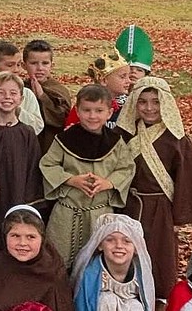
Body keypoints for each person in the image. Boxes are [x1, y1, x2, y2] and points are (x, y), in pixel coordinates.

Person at [114, 77, 192, 306]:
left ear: (166, 104)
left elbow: (187, 175)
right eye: (142, 102)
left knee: (158, 252)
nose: (149, 108)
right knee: (122, 249)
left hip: (159, 207)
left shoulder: (176, 139)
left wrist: (179, 211)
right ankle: (122, 291)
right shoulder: (126, 134)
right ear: (134, 104)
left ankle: (158, 299)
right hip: (128, 204)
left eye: (155, 102)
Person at [42, 84, 135, 270]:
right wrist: (70, 180)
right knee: (59, 259)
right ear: (77, 110)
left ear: (109, 113)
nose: (92, 116)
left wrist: (108, 183)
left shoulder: (116, 143)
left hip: (100, 213)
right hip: (68, 213)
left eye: (99, 111)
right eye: (87, 110)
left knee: (96, 261)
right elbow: (48, 164)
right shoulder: (64, 140)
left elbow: (126, 168)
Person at [0, 72, 43, 228]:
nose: (7, 97)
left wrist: (29, 200)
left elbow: (33, 169)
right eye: (1, 93)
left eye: (13, 93)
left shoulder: (27, 132)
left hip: (18, 193)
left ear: (21, 99)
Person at [0, 40, 44, 134]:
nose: (16, 70)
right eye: (10, 65)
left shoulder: (26, 93)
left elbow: (37, 127)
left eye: (18, 64)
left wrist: (17, 111)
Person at [23, 39, 72, 156]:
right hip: (25, 143)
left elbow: (62, 118)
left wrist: (42, 96)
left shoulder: (59, 90)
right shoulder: (20, 88)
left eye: (45, 63)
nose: (40, 68)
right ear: (24, 65)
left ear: (52, 65)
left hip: (49, 145)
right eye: (34, 63)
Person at [65, 50, 131, 130]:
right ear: (104, 80)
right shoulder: (86, 103)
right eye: (122, 77)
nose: (128, 81)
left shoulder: (128, 104)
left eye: (129, 76)